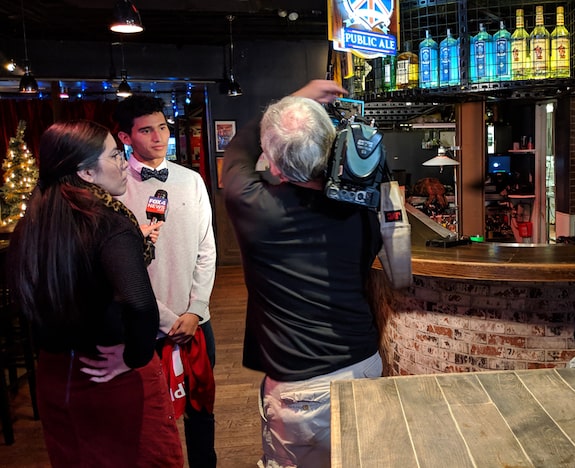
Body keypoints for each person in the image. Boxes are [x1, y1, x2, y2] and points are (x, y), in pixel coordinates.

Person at [222, 80, 383, 468]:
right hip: (364, 365)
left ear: (272, 163)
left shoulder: (251, 203)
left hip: (301, 390)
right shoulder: (361, 210)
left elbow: (236, 150)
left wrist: (298, 95)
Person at [7, 120, 183, 466]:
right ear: (86, 172)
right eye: (116, 155)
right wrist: (133, 356)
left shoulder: (34, 221)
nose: (123, 162)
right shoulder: (107, 222)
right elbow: (140, 304)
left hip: (57, 377)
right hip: (111, 378)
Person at [113, 95, 218, 467]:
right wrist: (163, 319)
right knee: (152, 417)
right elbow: (119, 269)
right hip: (144, 324)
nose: (158, 137)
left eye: (162, 127)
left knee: (201, 406)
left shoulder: (191, 180)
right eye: (146, 130)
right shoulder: (114, 188)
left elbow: (207, 247)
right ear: (125, 137)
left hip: (196, 320)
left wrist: (196, 309)